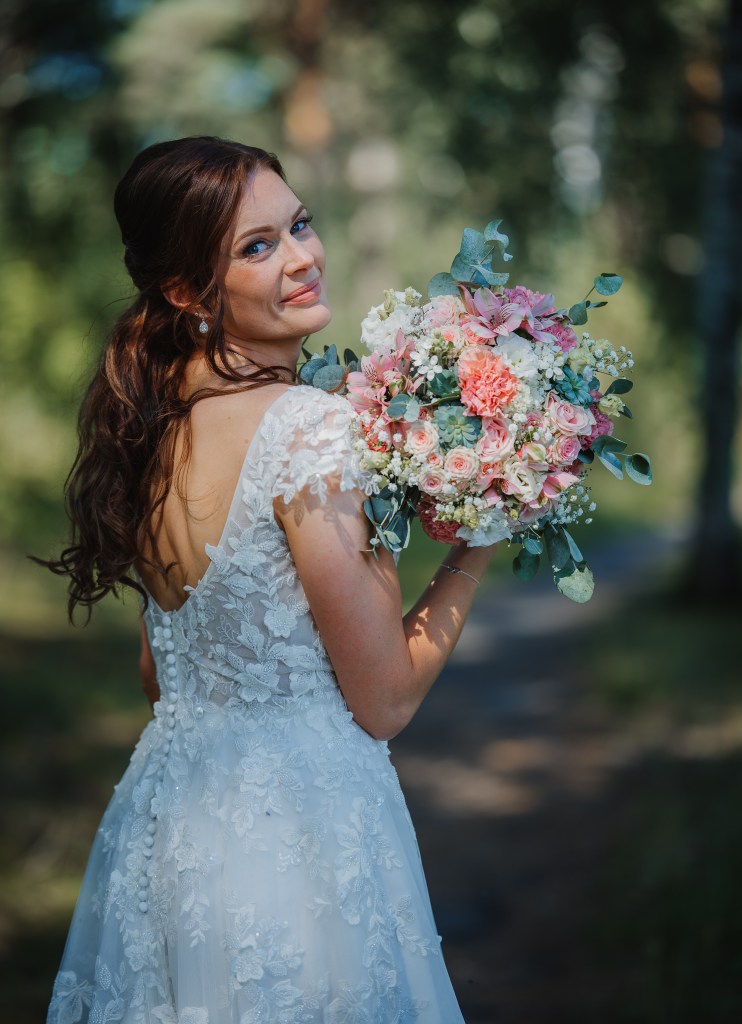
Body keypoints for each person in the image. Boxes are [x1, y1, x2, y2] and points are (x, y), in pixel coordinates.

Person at [42, 136, 497, 1024]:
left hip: (176, 823)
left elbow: (157, 674)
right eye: (257, 246)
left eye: (299, 224)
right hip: (302, 836)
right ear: (183, 290)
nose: (301, 258)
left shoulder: (156, 427)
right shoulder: (310, 430)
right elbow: (387, 702)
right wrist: (478, 540)